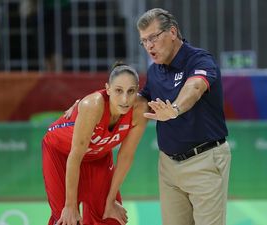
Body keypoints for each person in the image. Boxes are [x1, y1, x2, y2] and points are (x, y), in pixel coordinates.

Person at [137, 8, 231, 225]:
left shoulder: (199, 60)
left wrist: (176, 108)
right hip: (168, 166)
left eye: (153, 37)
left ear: (172, 32)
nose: (149, 46)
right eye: (144, 41)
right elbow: (138, 101)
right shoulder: (154, 70)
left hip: (204, 162)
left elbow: (195, 87)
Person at [42, 63, 148, 225]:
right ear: (108, 89)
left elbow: (126, 156)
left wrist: (111, 199)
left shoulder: (140, 109)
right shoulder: (92, 106)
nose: (125, 99)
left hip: (98, 156)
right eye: (119, 91)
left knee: (111, 216)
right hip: (62, 153)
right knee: (67, 220)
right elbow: (75, 156)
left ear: (137, 90)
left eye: (131, 91)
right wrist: (70, 205)